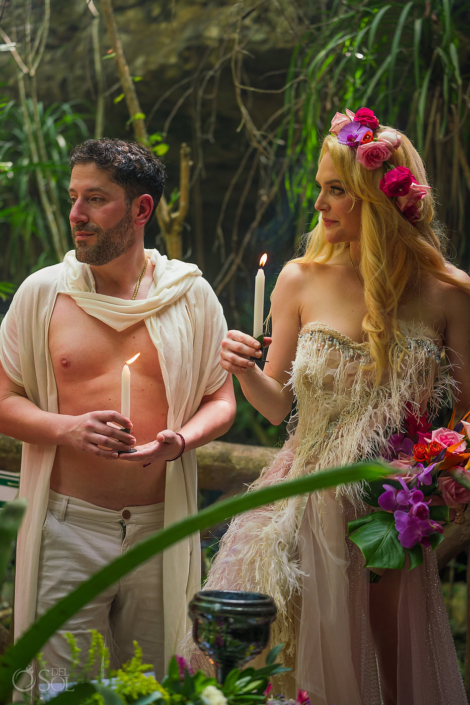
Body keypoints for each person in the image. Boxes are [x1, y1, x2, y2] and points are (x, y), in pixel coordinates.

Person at [193, 110, 470, 704]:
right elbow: (274, 409)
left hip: (390, 513)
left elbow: (466, 417)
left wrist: (442, 472)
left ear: (380, 197)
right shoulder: (298, 279)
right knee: (281, 663)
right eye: (320, 187)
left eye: (336, 189)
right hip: (299, 501)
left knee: (391, 674)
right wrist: (243, 368)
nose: (319, 203)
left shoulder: (449, 292)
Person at [0, 139, 236, 686]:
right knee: (69, 691)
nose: (75, 215)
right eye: (73, 197)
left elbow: (220, 400)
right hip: (68, 528)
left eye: (95, 200)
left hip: (160, 531)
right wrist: (68, 428)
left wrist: (181, 440)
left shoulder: (190, 296)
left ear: (141, 209)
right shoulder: (43, 294)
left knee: (154, 688)